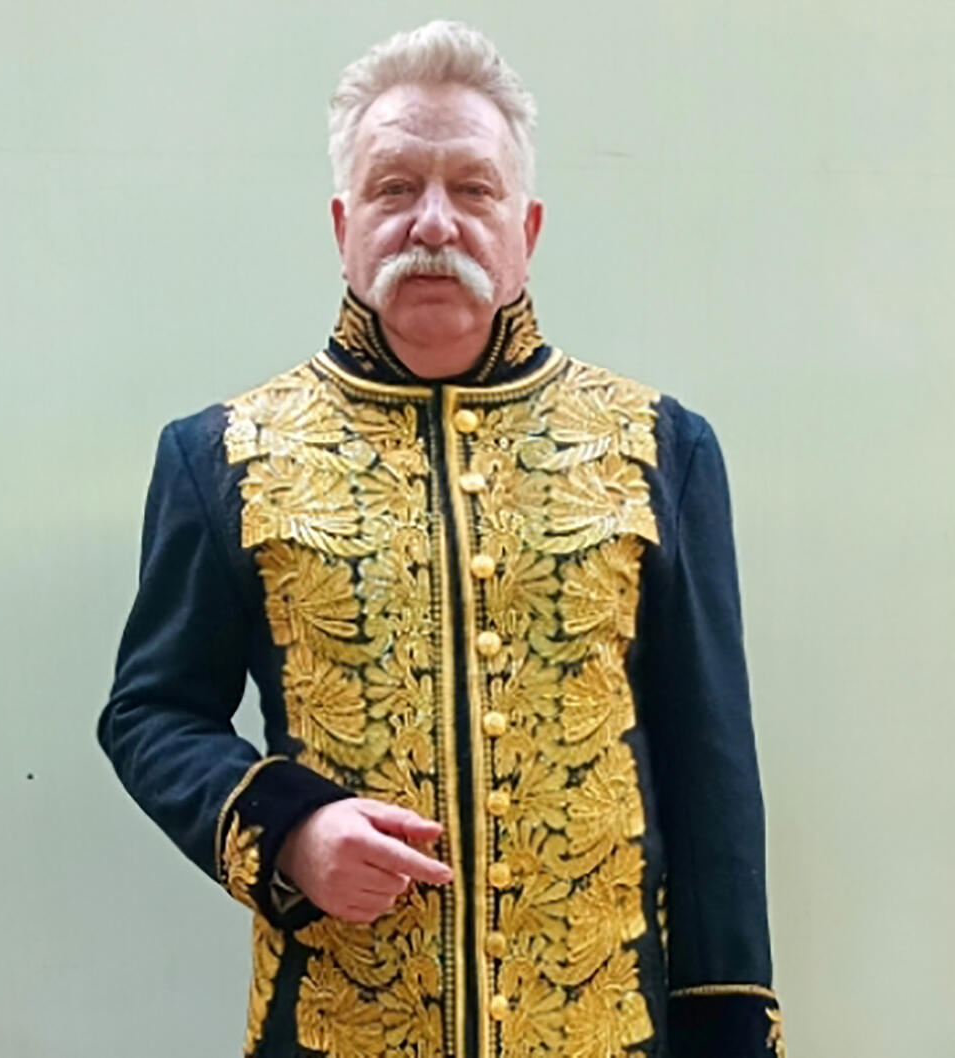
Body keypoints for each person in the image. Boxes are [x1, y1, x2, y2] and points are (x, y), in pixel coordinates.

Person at [98, 19, 786, 1058]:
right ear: (344, 224)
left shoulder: (657, 447)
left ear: (526, 227)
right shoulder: (225, 455)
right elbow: (150, 711)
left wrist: (729, 1026)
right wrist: (290, 828)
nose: (433, 221)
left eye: (472, 189)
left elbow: (712, 779)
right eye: (393, 188)